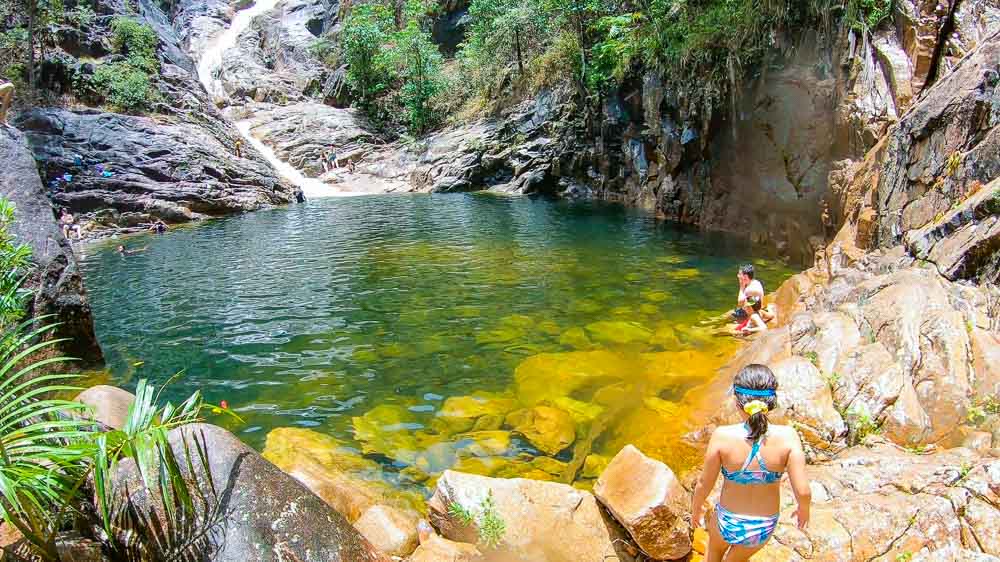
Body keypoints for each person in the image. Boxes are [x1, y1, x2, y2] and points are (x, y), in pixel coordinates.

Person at [691, 364, 811, 562]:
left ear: (737, 402)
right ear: (772, 402)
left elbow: (704, 484)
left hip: (727, 521)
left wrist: (696, 509)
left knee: (713, 554)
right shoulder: (788, 437)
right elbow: (803, 490)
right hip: (762, 526)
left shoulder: (722, 436)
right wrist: (803, 509)